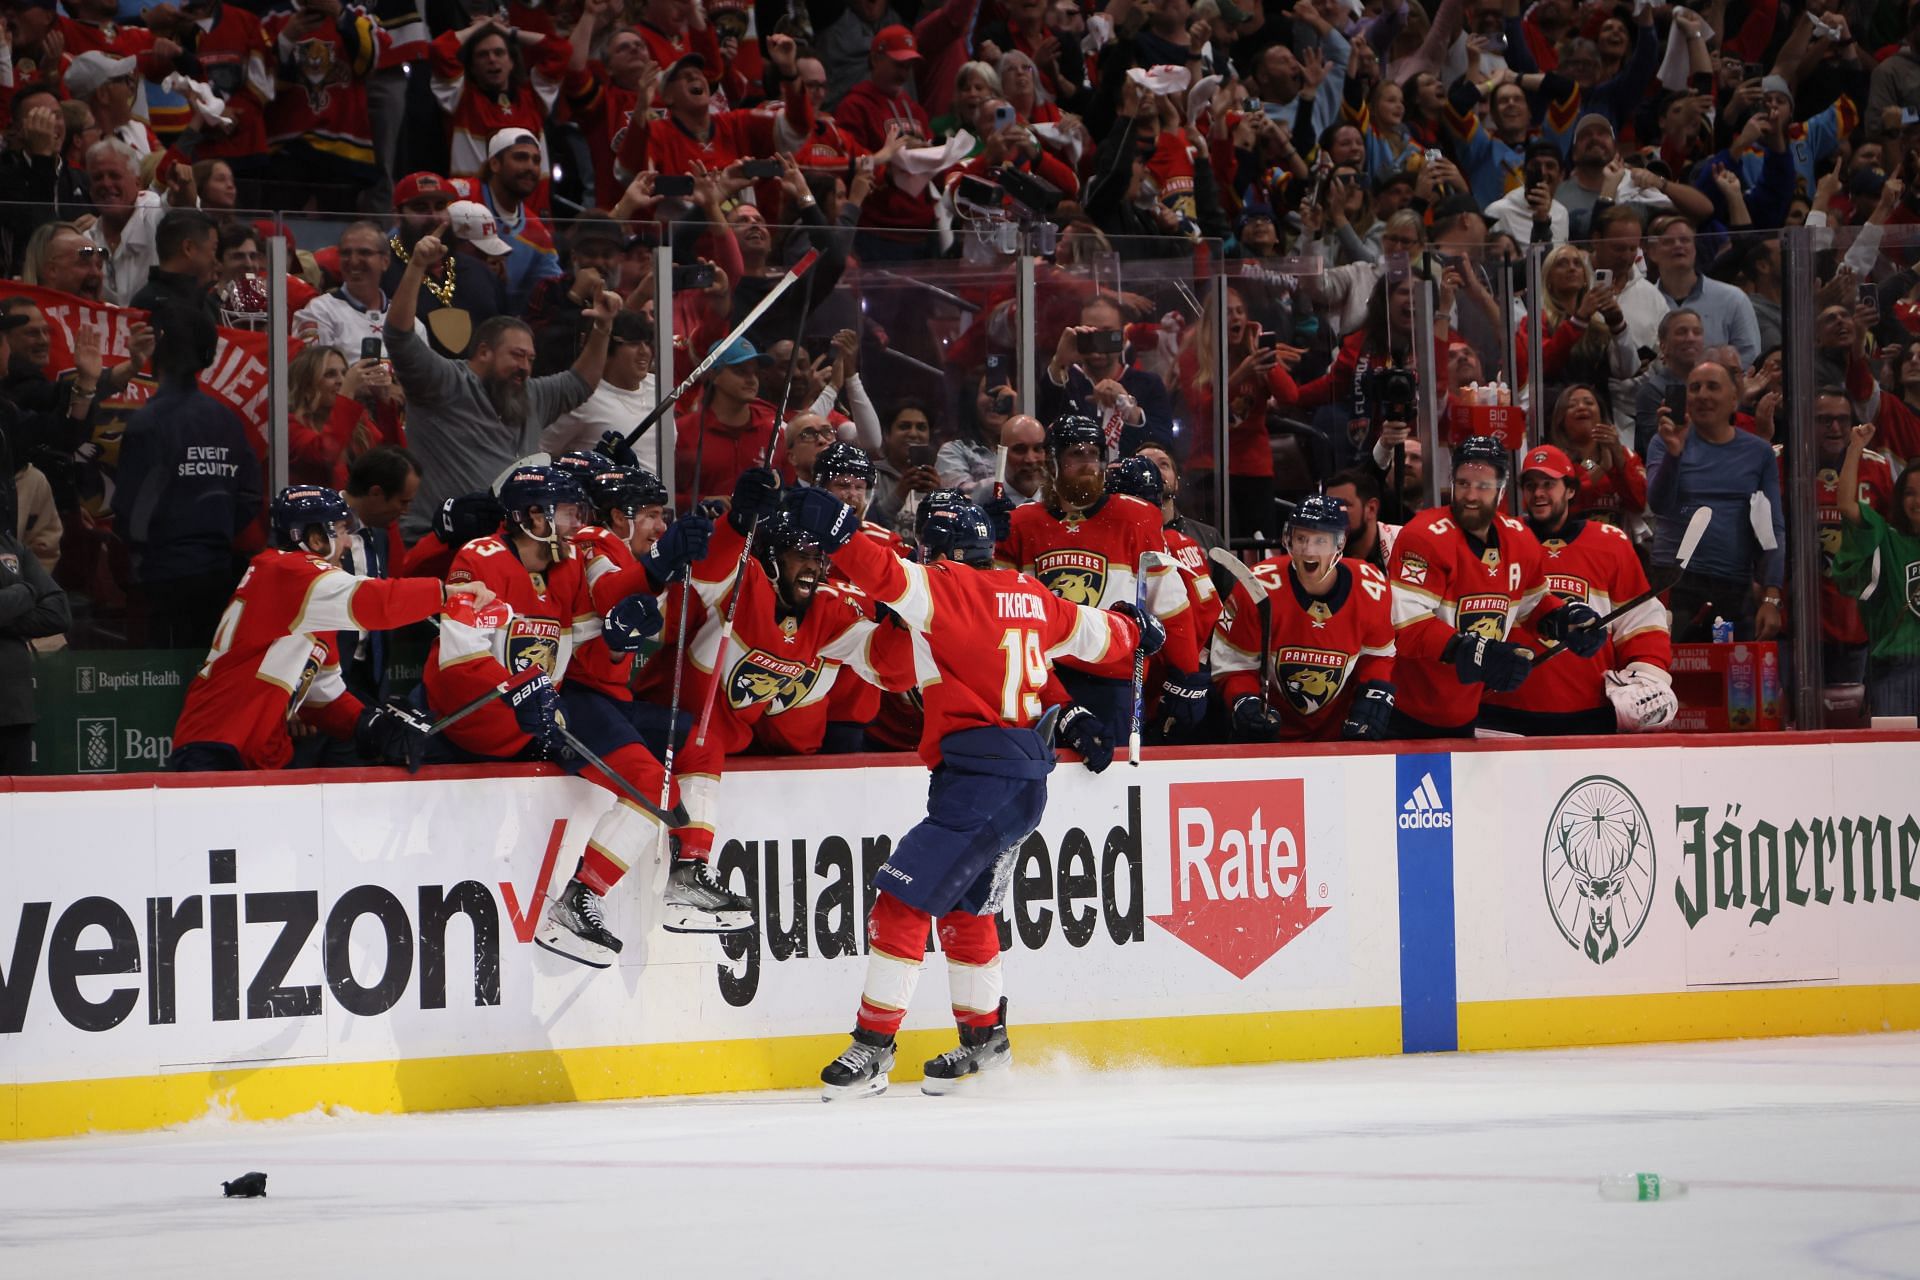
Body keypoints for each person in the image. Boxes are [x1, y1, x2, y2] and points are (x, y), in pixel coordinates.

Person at [782, 488, 1155, 1099]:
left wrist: (842, 530)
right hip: (1017, 781)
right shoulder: (1032, 594)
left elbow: (881, 573)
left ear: (943, 548)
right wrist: (1135, 629)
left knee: (900, 903)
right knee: (966, 908)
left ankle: (872, 1048)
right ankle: (985, 1044)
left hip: (980, 782)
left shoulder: (946, 587)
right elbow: (1097, 635)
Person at [168, 486, 485, 772]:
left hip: (257, 750)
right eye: (343, 530)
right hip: (219, 746)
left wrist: (370, 725)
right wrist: (444, 594)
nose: (348, 542)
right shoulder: (288, 571)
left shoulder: (309, 605)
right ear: (317, 538)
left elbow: (323, 695)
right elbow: (373, 601)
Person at [538, 464, 719, 962]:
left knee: (700, 738)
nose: (661, 527)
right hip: (569, 698)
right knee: (651, 785)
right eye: (653, 516)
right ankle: (579, 901)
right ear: (619, 516)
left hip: (609, 699)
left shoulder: (626, 548)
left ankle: (689, 875)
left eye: (665, 517)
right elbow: (610, 593)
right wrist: (664, 559)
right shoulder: (594, 540)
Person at [385, 224, 617, 540]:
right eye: (517, 355)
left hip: (512, 544)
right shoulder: (444, 381)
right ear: (484, 352)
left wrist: (603, 328)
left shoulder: (530, 394)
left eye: (531, 359)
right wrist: (415, 267)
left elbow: (580, 383)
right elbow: (399, 336)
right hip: (441, 542)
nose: (525, 367)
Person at [996, 415, 1202, 744]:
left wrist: (1186, 675)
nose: (1088, 463)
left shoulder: (1136, 516)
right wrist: (988, 539)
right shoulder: (1019, 524)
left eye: (1094, 454)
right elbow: (1000, 611)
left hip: (1115, 682)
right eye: (1076, 455)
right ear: (1053, 462)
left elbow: (1171, 603)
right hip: (1043, 681)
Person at [1387, 436, 1605, 738]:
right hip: (1404, 715)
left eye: (1484, 486)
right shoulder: (1423, 537)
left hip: (1464, 715)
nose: (1471, 495)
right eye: (1463, 483)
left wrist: (1564, 620)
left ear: (1501, 490)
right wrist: (1472, 651)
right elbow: (1405, 626)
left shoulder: (1520, 539)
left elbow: (1533, 605)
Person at [1479, 445, 1674, 736]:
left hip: (1588, 713)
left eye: (1548, 484)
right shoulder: (1499, 541)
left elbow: (1640, 621)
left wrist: (1646, 675)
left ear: (1570, 490)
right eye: (1531, 485)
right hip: (1502, 714)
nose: (1539, 493)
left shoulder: (1610, 544)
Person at [111, 303, 263, 651]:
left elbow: (131, 512)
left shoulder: (148, 422)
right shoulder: (225, 419)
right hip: (219, 574)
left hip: (162, 580)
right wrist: (213, 529)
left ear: (157, 348)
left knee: (162, 685)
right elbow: (250, 495)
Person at [1213, 495, 1396, 742]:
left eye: (1320, 541)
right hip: (1270, 741)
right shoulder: (1256, 586)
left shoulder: (1371, 586)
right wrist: (1245, 700)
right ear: (1289, 539)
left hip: (1337, 739)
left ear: (1339, 544)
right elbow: (1233, 663)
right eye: (1301, 539)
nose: (1308, 551)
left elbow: (1377, 656)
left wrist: (1373, 693)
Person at [1645, 362, 1784, 642]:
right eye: (1694, 388)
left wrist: (1771, 598)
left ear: (1734, 400)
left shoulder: (1759, 452)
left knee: (1734, 681)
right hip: (1673, 582)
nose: (1702, 395)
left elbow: (1772, 529)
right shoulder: (1663, 442)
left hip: (1733, 586)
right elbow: (1659, 504)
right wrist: (1675, 453)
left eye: (1713, 386)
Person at [1833, 423, 1920, 719]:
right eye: (1910, 493)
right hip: (1896, 667)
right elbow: (1846, 505)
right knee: (1892, 758)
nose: (1917, 501)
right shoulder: (1887, 537)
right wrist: (1855, 447)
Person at [1039, 296, 1175, 454]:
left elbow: (1164, 445)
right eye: (1090, 334)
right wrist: (1059, 362)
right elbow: (1044, 424)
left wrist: (1130, 411)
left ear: (1123, 339)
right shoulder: (1065, 381)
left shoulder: (1148, 384)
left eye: (1107, 335)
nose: (1098, 346)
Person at [0, 516, 72, 773]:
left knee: (15, 806)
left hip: (13, 712)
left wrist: (6, 615)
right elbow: (37, 593)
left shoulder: (13, 548)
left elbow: (58, 613)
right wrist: (26, 592)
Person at [543, 312, 656, 456]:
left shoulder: (660, 388)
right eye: (633, 343)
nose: (644, 351)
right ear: (607, 347)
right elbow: (541, 452)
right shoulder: (582, 400)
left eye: (647, 343)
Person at [287, 344, 386, 490]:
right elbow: (326, 453)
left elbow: (392, 461)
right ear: (307, 385)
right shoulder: (289, 424)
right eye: (330, 374)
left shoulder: (357, 421)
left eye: (344, 374)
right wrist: (347, 392)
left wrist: (384, 401)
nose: (341, 381)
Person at [294, 221, 391, 353]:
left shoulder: (405, 318)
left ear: (385, 261)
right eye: (346, 253)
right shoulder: (319, 312)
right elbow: (310, 371)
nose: (354, 261)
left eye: (364, 252)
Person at [1323, 468, 1397, 574]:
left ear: (1371, 509)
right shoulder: (1314, 551)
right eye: (1328, 506)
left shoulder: (1404, 545)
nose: (1332, 513)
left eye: (1343, 505)